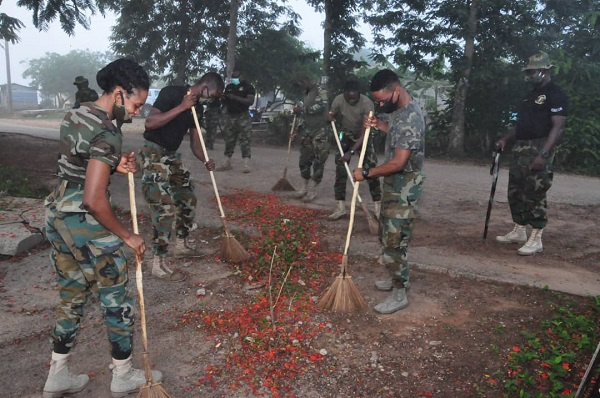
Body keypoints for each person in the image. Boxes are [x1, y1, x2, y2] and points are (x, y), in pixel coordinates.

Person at [43, 58, 163, 397]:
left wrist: (113, 164)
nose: (139, 112)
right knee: (115, 295)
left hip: (57, 215)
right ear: (120, 93)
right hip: (84, 219)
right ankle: (123, 374)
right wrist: (128, 235)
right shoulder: (108, 131)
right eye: (137, 104)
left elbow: (78, 163)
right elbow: (95, 200)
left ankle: (57, 373)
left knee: (72, 294)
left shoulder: (77, 113)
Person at [353, 69, 425, 314]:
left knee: (394, 240)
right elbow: (396, 136)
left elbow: (398, 162)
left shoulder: (411, 117)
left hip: (404, 184)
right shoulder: (399, 112)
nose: (379, 104)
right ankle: (397, 276)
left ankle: (399, 291)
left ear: (396, 90)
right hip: (395, 184)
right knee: (387, 233)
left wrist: (366, 173)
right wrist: (379, 125)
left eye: (382, 100)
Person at [140, 73, 224, 281]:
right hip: (153, 152)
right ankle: (158, 263)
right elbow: (150, 123)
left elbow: (196, 143)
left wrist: (206, 159)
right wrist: (182, 107)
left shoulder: (199, 108)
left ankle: (182, 244)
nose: (210, 100)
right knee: (164, 207)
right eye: (211, 95)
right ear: (204, 86)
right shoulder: (172, 93)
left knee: (187, 198)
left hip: (171, 155)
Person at [495, 52, 568, 255]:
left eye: (532, 71)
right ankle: (519, 229)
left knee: (535, 192)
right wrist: (506, 139)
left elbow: (558, 127)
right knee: (515, 190)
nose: (529, 75)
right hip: (521, 147)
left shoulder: (556, 94)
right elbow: (521, 125)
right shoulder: (530, 95)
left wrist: (543, 154)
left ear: (544, 71)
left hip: (540, 147)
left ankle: (536, 236)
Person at [328, 79, 380, 220]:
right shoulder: (338, 100)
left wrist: (351, 152)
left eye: (354, 97)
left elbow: (364, 134)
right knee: (340, 168)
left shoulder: (367, 104)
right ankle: (340, 207)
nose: (351, 100)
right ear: (344, 94)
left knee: (370, 169)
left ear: (359, 94)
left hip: (364, 135)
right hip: (346, 134)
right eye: (348, 97)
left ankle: (377, 208)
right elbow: (332, 114)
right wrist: (331, 116)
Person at [292, 76, 330, 202]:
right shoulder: (306, 94)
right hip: (307, 131)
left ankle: (313, 189)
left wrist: (303, 109)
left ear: (306, 80)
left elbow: (321, 106)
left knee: (319, 160)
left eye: (301, 84)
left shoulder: (321, 91)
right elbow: (303, 115)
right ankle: (304, 186)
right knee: (304, 160)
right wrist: (297, 129)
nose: (301, 87)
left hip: (320, 131)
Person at [215, 69, 256, 173]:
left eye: (236, 77)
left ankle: (246, 164)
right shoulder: (229, 87)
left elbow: (250, 101)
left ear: (241, 76)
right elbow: (224, 101)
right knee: (229, 139)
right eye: (233, 77)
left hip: (243, 116)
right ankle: (226, 162)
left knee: (245, 140)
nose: (234, 79)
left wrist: (235, 98)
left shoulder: (248, 87)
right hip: (230, 116)